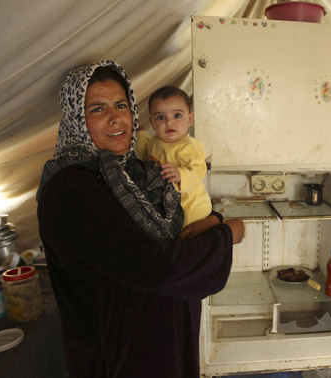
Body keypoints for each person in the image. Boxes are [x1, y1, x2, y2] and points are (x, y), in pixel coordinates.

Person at [36, 60, 245, 378]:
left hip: (163, 338)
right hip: (123, 356)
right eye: (97, 109)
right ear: (76, 119)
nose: (115, 117)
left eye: (121, 104)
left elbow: (170, 227)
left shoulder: (129, 169)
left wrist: (212, 220)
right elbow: (158, 266)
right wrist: (227, 234)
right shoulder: (70, 190)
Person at [135, 86, 211, 229]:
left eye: (177, 115)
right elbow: (144, 152)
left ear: (189, 119)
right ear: (152, 123)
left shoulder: (188, 146)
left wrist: (181, 174)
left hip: (192, 209)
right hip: (167, 208)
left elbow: (199, 170)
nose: (169, 122)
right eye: (160, 117)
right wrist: (141, 134)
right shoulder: (155, 142)